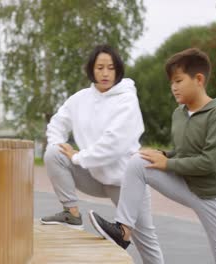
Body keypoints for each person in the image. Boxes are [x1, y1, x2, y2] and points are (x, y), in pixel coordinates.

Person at [89, 48, 216, 264]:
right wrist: (163, 155)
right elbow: (184, 153)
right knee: (138, 161)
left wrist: (167, 162)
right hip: (188, 185)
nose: (173, 87)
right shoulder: (179, 114)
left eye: (178, 81)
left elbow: (210, 162)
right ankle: (122, 231)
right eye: (171, 82)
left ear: (199, 79)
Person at [40, 44, 164, 263]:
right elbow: (57, 124)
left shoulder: (127, 99)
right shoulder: (80, 99)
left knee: (146, 239)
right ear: (92, 70)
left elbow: (113, 143)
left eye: (110, 67)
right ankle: (72, 213)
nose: (105, 73)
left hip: (126, 182)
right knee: (53, 153)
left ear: (118, 70)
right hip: (93, 176)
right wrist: (61, 145)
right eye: (100, 67)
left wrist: (78, 157)